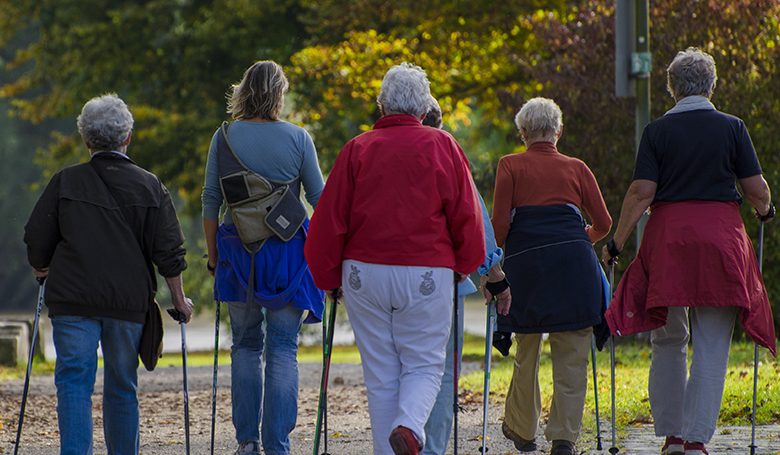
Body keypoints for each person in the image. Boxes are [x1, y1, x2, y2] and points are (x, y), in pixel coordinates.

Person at [304, 63, 485, 455]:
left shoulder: (357, 149)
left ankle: (394, 441)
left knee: (382, 376)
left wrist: (327, 276)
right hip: (426, 270)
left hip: (363, 273)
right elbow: (467, 216)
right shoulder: (443, 146)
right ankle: (409, 425)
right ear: (424, 108)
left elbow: (329, 220)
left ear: (382, 105)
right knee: (423, 365)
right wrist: (465, 264)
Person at [602, 48, 776, 455]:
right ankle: (698, 440)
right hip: (720, 239)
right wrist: (766, 211)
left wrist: (617, 242)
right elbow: (756, 189)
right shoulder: (732, 127)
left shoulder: (657, 131)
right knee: (712, 342)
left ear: (672, 88)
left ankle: (673, 437)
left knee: (668, 337)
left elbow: (641, 192)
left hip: (669, 242)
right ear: (711, 85)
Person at [24, 93, 193, 455]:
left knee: (73, 382)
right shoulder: (150, 185)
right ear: (128, 136)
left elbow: (37, 234)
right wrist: (179, 300)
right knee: (121, 384)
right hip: (127, 302)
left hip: (73, 300)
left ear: (86, 139)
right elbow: (169, 251)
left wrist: (41, 264)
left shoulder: (65, 182)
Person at [201, 60, 326, 455]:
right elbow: (320, 200)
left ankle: (247, 442)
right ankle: (278, 444)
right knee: (284, 347)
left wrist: (212, 256)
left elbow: (210, 202)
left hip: (238, 252)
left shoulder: (223, 138)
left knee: (245, 344)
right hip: (288, 253)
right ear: (279, 94)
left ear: (243, 91)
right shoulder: (299, 138)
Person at [492, 97, 612, 455]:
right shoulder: (577, 167)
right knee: (573, 352)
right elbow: (604, 224)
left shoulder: (509, 165)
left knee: (527, 347)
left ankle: (523, 429)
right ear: (558, 131)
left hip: (526, 268)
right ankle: (563, 437)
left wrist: (496, 263)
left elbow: (499, 227)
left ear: (523, 132)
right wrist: (579, 239)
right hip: (574, 268)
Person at [420, 96, 511, 455]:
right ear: (437, 124)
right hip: (445, 281)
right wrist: (494, 274)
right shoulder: (447, 152)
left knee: (399, 371)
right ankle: (433, 449)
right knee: (442, 372)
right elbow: (473, 218)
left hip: (388, 279)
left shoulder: (376, 150)